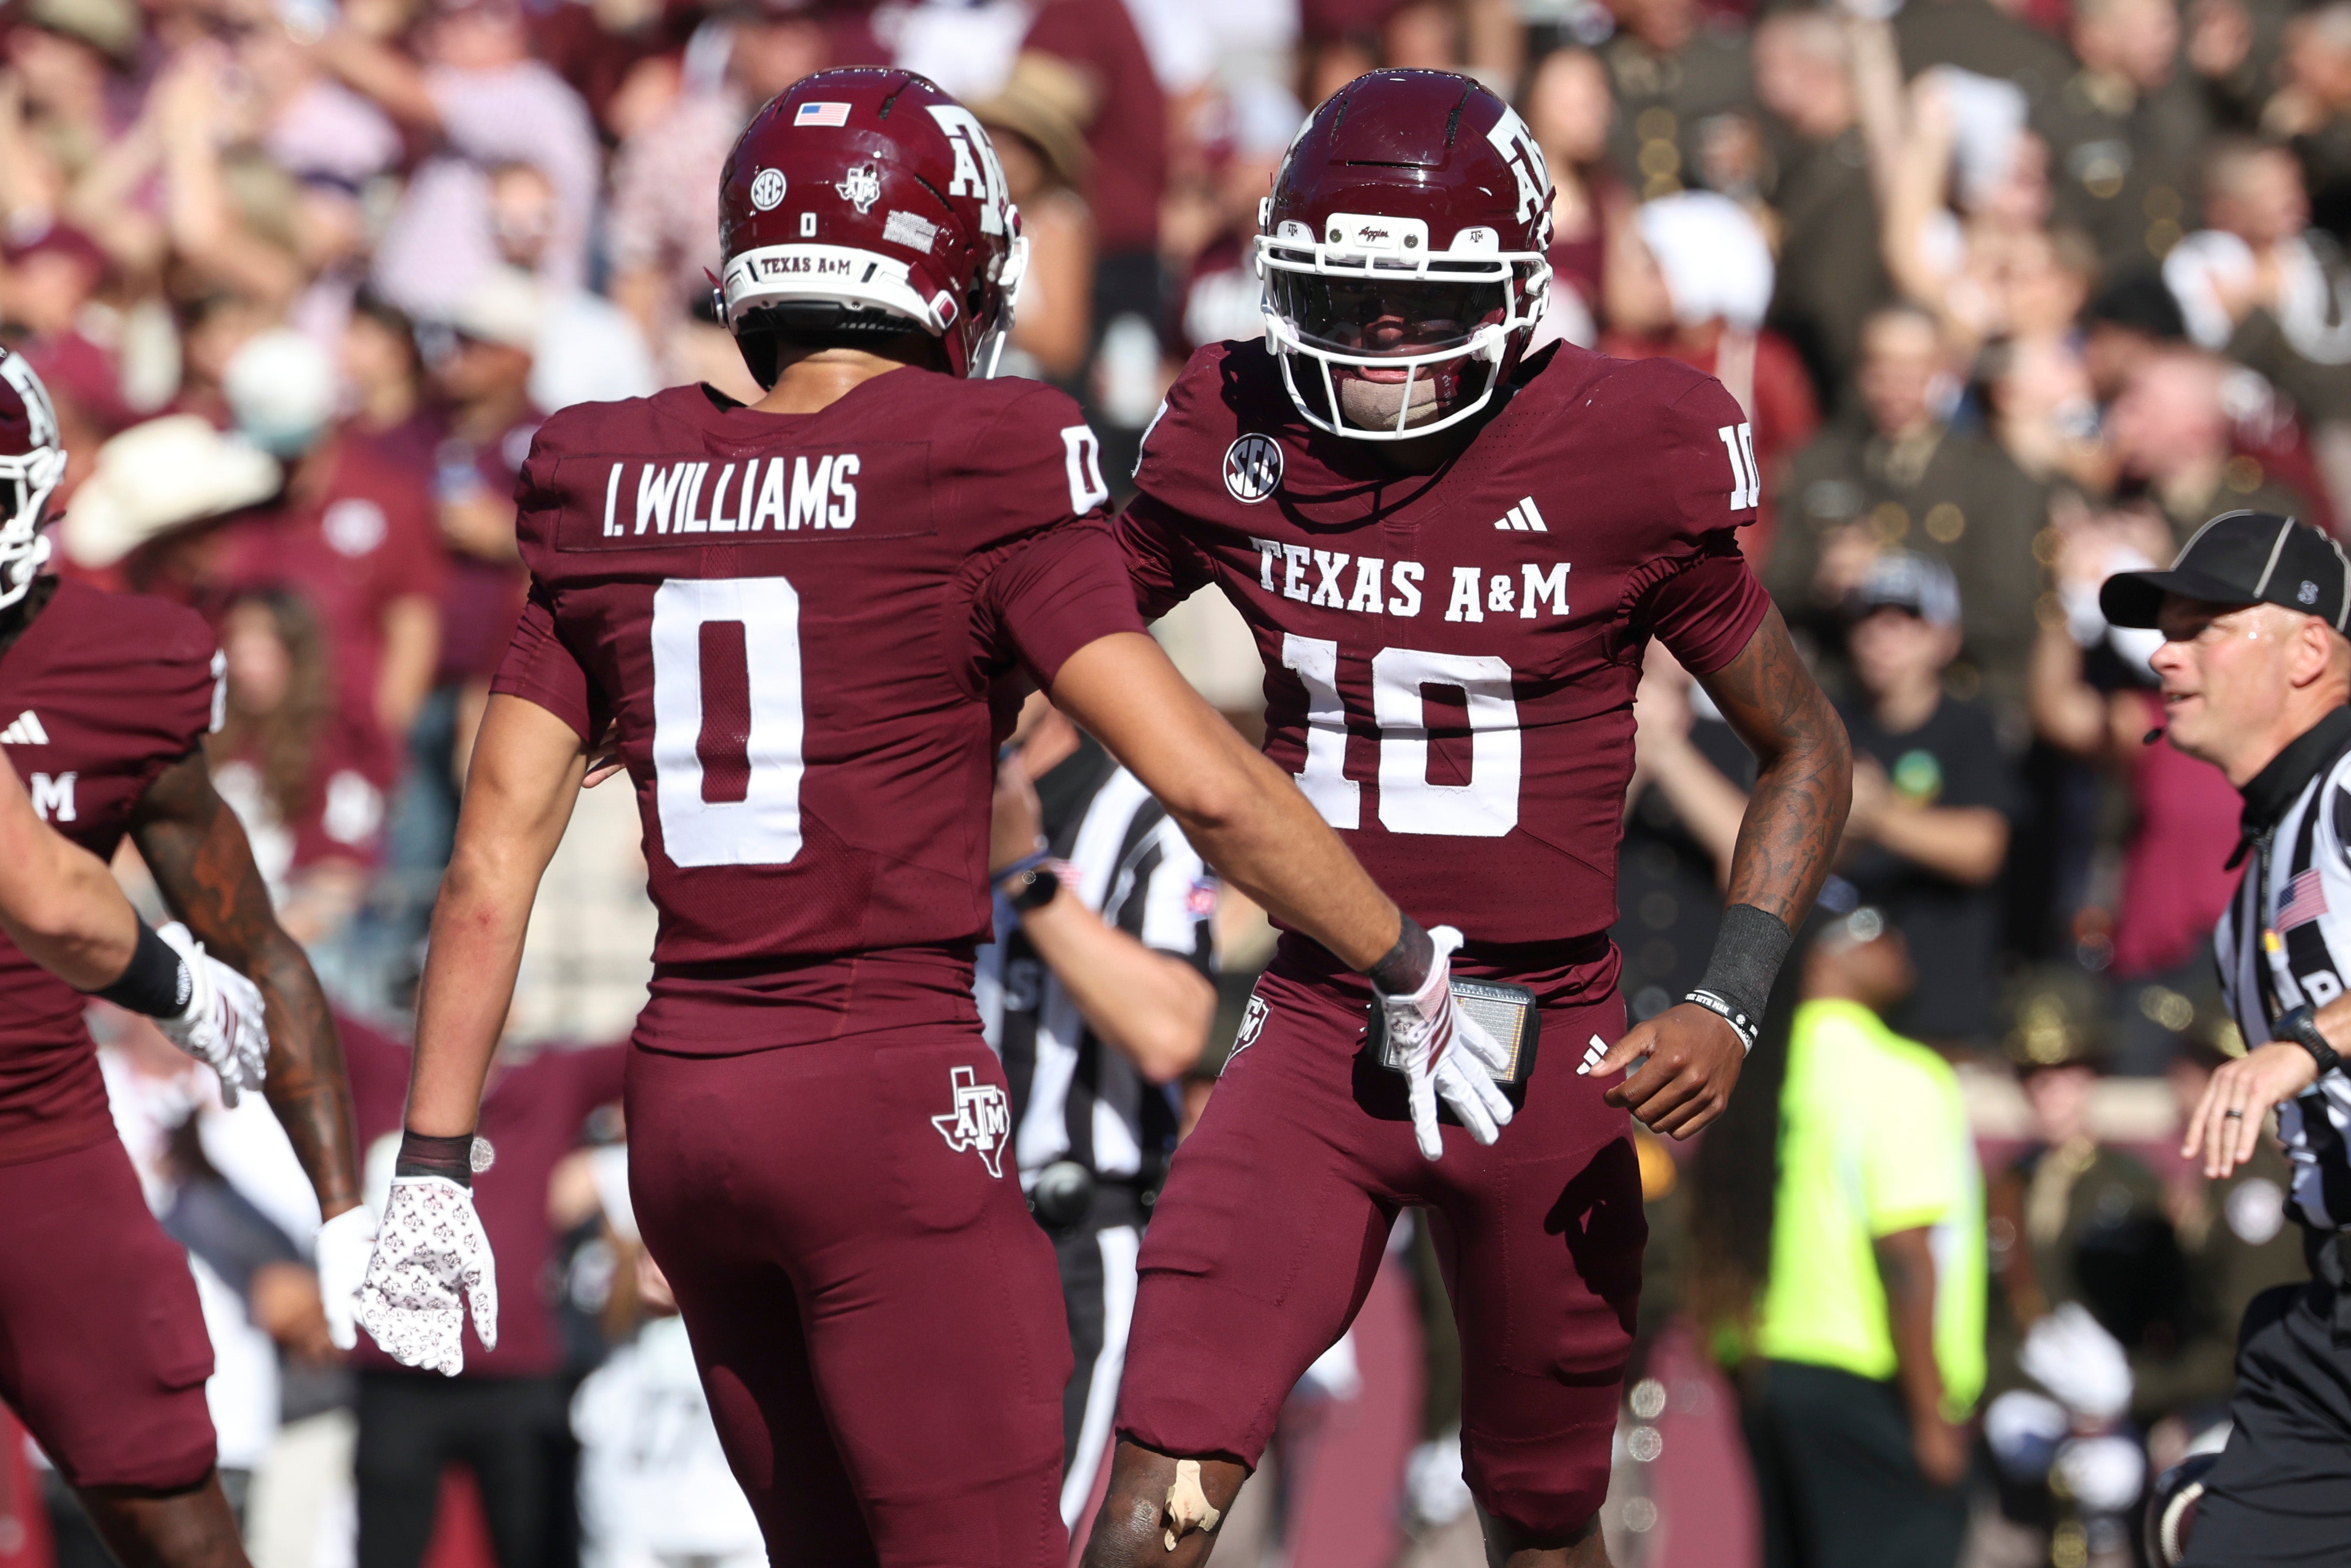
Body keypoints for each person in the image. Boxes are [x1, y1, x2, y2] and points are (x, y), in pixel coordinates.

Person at [355, 68, 1495, 1568]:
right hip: (885, 1098)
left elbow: (489, 864)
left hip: (686, 1109)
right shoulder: (982, 458)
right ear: (953, 267)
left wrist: (434, 1161)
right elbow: (1205, 783)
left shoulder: (605, 472)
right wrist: (1404, 958)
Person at [1088, 69, 1851, 1568]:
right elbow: (1048, 643)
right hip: (1320, 1024)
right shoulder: (1231, 425)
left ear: (1514, 290)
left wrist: (1732, 999)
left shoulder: (1627, 443)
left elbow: (1807, 745)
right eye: (1342, 300)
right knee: (1157, 1488)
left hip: (1552, 1038)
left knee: (1545, 1516)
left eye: (1417, 307)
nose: (1376, 349)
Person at [0, 344, 371, 1568]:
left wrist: (340, 1212)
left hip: (32, 1137)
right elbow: (53, 897)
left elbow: (252, 940)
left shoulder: (126, 663)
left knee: (176, 1516)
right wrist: (169, 986)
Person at [2100, 509, 2351, 1565]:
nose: (2166, 651)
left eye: (2206, 625)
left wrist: (2311, 1040)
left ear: (2309, 647)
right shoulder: (2250, 894)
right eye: (2168, 628)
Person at [976, 691, 1216, 1528]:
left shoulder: (1137, 810)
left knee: (1034, 1537)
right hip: (922, 1235)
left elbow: (1170, 1030)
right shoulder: (908, 793)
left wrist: (1024, 877)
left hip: (1070, 1239)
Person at [1728, 903, 1984, 1568]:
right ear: (1821, 961)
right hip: (1873, 1384)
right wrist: (1932, 1420)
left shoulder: (1762, 1070)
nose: (1895, 940)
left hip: (1771, 1373)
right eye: (1867, 930)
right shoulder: (1899, 1073)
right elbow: (1904, 1252)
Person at [1834, 550, 2018, 1048]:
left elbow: (1982, 849)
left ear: (1946, 638)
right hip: (1836, 1008)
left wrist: (1878, 814)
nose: (1882, 637)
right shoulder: (1825, 722)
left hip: (1942, 1011)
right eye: (1870, 619)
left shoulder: (1971, 728)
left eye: (1905, 621)